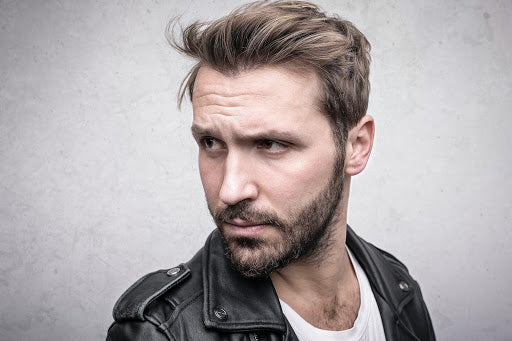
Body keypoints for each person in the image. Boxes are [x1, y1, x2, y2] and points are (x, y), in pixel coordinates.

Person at [106, 1, 436, 340]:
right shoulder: (160, 334)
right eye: (210, 142)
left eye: (271, 144)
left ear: (356, 146)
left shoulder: (397, 287)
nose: (230, 191)